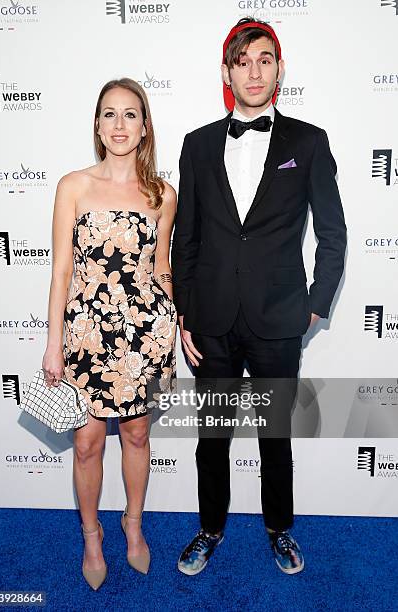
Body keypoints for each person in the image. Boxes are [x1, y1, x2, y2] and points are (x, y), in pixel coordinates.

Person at [172, 18, 346, 575]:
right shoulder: (197, 145)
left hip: (278, 319)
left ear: (279, 68)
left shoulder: (310, 142)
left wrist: (315, 303)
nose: (254, 70)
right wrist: (185, 313)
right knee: (211, 439)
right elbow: (187, 236)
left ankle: (279, 530)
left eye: (265, 59)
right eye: (243, 60)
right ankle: (209, 528)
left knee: (275, 438)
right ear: (227, 71)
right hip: (213, 320)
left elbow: (332, 233)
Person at [42, 78, 177, 590]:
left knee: (138, 434)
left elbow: (162, 266)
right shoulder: (72, 186)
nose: (120, 125)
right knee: (87, 444)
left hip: (145, 334)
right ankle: (92, 534)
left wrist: (176, 324)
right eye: (109, 115)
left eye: (130, 115)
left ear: (144, 127)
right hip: (86, 337)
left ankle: (133, 524)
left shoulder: (163, 194)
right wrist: (54, 342)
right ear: (97, 125)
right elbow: (60, 272)